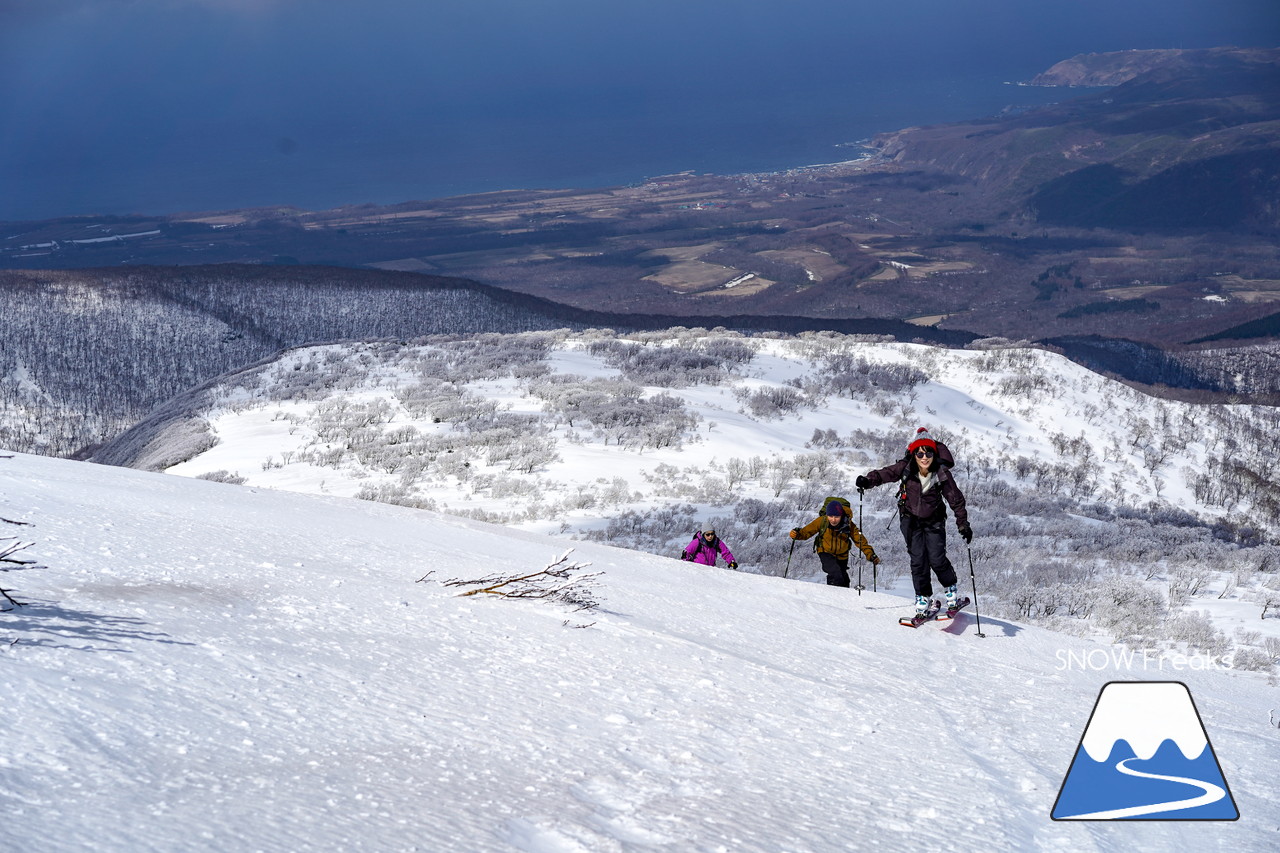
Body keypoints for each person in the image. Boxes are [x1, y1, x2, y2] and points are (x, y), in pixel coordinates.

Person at [856, 427, 971, 615]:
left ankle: (951, 594)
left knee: (937, 558)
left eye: (928, 453)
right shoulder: (906, 467)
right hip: (910, 520)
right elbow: (885, 474)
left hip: (934, 520)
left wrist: (963, 523)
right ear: (914, 454)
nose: (924, 457)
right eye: (919, 453)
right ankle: (923, 599)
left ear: (934, 453)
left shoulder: (941, 472)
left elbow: (955, 498)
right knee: (918, 560)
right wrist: (867, 481)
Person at [789, 498, 879, 587]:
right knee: (835, 573)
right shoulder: (822, 521)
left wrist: (870, 554)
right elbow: (806, 532)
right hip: (825, 552)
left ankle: (844, 598)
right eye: (830, 516)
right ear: (827, 515)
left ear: (841, 515)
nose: (833, 520)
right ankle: (833, 597)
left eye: (836, 517)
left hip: (842, 555)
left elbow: (860, 541)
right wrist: (797, 534)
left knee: (844, 579)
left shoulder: (848, 524)